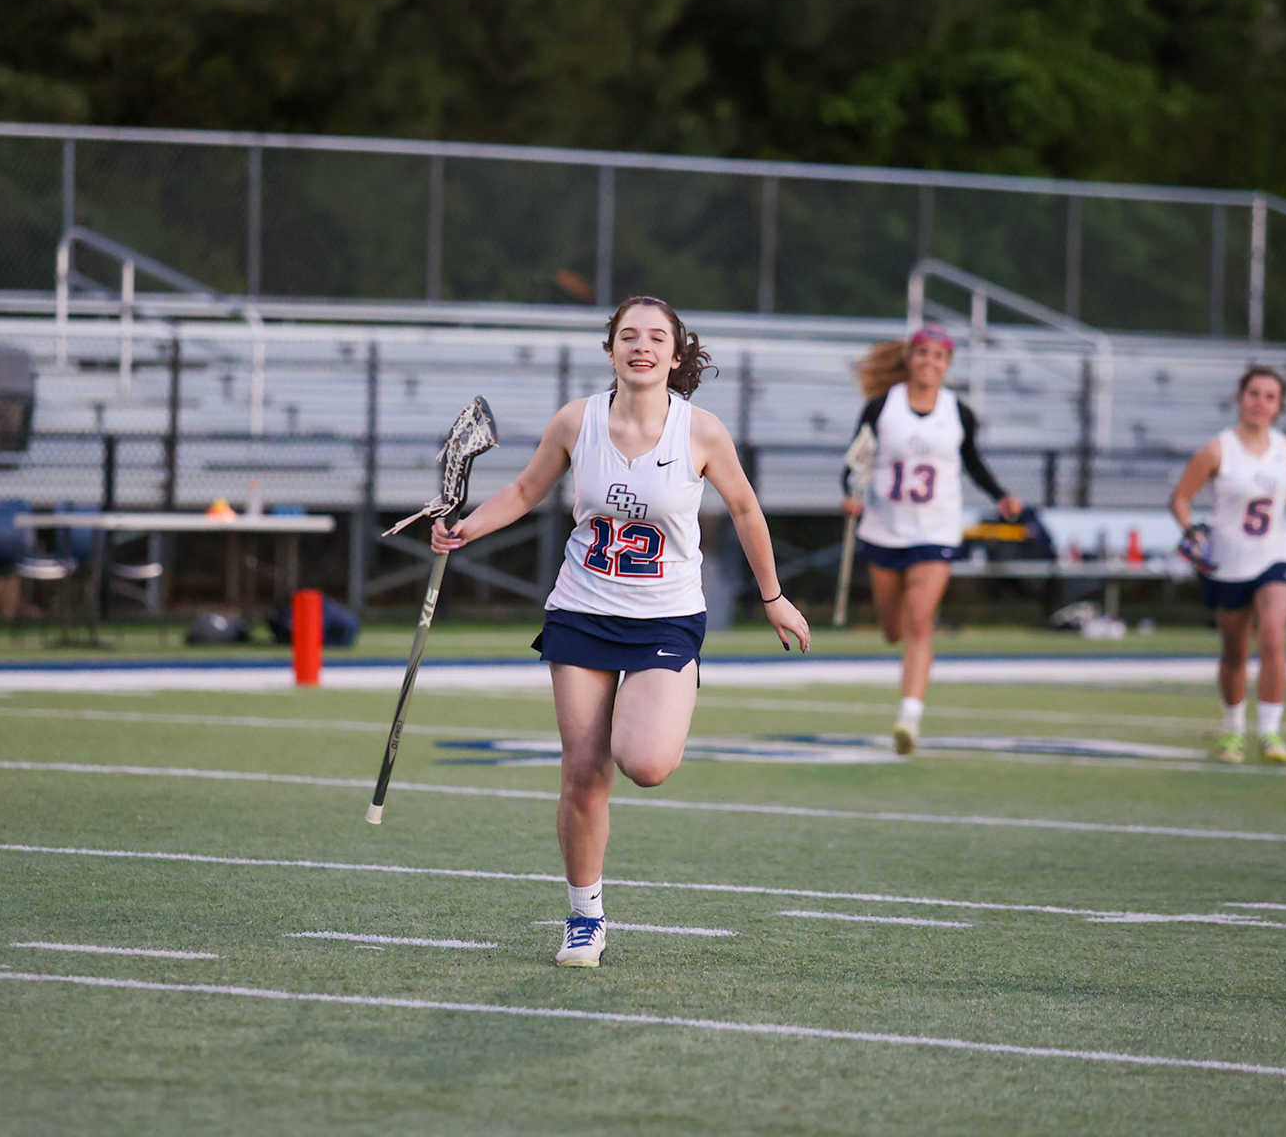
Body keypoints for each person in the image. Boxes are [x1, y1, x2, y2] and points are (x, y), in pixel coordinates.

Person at [431, 296, 811, 967]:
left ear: (675, 352)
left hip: (665, 616)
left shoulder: (702, 432)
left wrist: (774, 597)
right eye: (628, 336)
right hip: (581, 610)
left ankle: (673, 683)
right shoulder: (578, 421)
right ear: (610, 349)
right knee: (583, 771)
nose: (641, 346)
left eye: (655, 337)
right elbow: (523, 491)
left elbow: (747, 510)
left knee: (648, 764)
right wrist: (462, 529)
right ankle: (585, 917)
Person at [839, 325, 1022, 755]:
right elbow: (854, 462)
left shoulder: (959, 412)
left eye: (938, 356)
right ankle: (904, 669)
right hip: (885, 527)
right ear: (909, 358)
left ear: (947, 364)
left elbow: (973, 461)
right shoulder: (881, 407)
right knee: (892, 629)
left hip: (936, 529)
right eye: (922, 354)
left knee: (921, 621)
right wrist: (850, 495)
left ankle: (909, 718)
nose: (929, 363)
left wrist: (1002, 496)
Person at [1169, 365, 1286, 765]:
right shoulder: (1218, 448)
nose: (1260, 402)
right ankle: (1233, 730)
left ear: (1279, 406)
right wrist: (1192, 532)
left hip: (1276, 554)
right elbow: (1181, 498)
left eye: (1270, 396)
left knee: (1272, 635)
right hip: (1229, 560)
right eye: (1254, 393)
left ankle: (1270, 731)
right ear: (1240, 398)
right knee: (1235, 650)